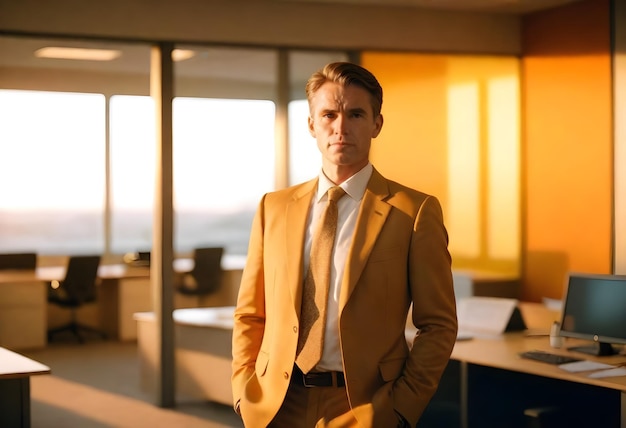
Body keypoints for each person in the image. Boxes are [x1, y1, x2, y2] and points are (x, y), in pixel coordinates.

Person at [231, 61, 458, 428]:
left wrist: (401, 408)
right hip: (276, 403)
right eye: (329, 115)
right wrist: (244, 388)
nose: (341, 128)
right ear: (311, 125)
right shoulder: (273, 208)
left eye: (355, 114)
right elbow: (250, 312)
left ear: (376, 124)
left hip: (363, 407)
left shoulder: (414, 212)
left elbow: (438, 324)